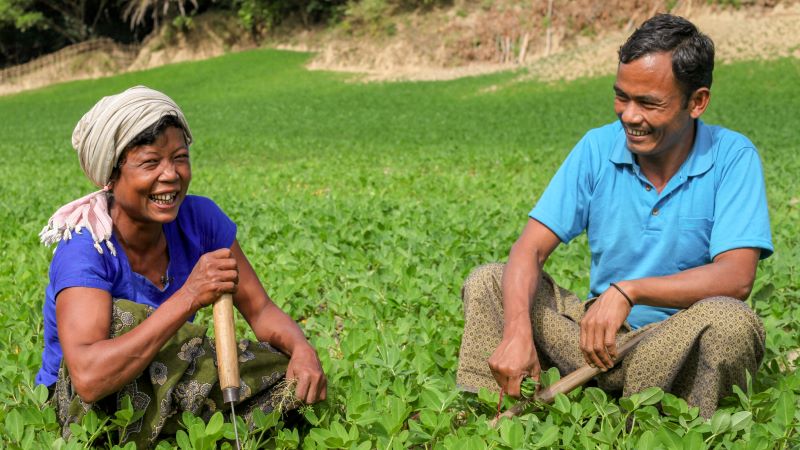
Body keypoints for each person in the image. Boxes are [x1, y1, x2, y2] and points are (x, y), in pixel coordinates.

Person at [456, 14, 772, 419]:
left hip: (670, 345)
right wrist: (517, 331)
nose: (629, 116)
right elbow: (530, 249)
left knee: (731, 323)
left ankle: (665, 423)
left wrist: (629, 291)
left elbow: (737, 277)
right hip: (591, 340)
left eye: (649, 103)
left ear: (697, 102)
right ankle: (489, 410)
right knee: (490, 281)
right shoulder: (597, 147)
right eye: (622, 96)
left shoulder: (732, 157)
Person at [36, 86, 327, 446]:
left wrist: (302, 349)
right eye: (150, 163)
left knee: (290, 373)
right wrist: (190, 295)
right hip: (91, 405)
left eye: (179, 158)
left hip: (171, 371)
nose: (171, 175)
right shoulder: (86, 248)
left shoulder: (200, 219)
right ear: (112, 175)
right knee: (123, 317)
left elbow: (262, 309)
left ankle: (187, 428)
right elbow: (88, 378)